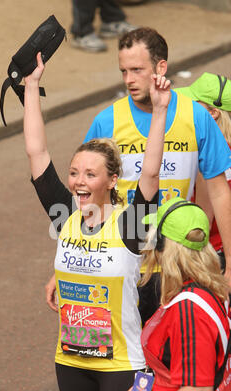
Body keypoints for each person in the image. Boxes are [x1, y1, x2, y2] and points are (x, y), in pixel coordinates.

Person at [23, 51, 171, 391]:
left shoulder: (130, 225)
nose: (78, 182)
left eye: (90, 174)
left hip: (123, 367)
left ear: (111, 180)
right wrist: (32, 86)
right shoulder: (64, 215)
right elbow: (37, 154)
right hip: (70, 363)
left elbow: (152, 173)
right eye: (74, 173)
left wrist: (159, 112)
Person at [83, 27, 231, 323]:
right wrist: (73, 262)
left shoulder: (196, 116)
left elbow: (219, 191)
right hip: (122, 263)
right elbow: (87, 195)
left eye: (137, 69)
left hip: (179, 263)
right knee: (126, 360)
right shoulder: (106, 121)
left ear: (161, 67)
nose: (128, 79)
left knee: (177, 357)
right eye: (124, 70)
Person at [97, 197, 231, 391]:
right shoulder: (200, 290)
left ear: (165, 246)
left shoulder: (189, 310)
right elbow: (164, 368)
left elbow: (197, 390)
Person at [175, 72, 231, 272]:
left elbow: (202, 224)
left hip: (210, 256)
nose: (186, 109)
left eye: (193, 103)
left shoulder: (207, 154)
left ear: (213, 113)